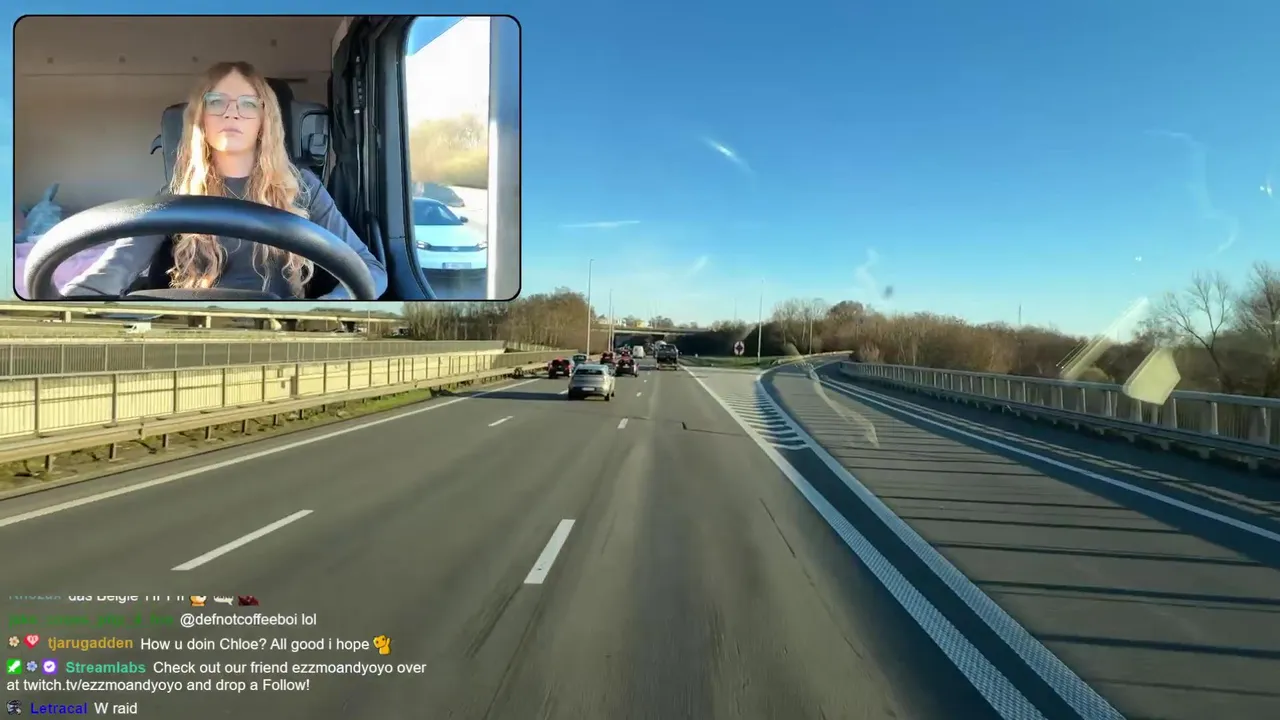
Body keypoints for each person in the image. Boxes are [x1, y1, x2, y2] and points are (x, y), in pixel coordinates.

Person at [59, 61, 387, 300]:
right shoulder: (175, 195)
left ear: (265, 121)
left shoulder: (303, 189)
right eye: (217, 102)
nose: (232, 113)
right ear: (200, 118)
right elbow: (111, 271)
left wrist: (325, 309)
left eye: (248, 104)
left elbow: (370, 271)